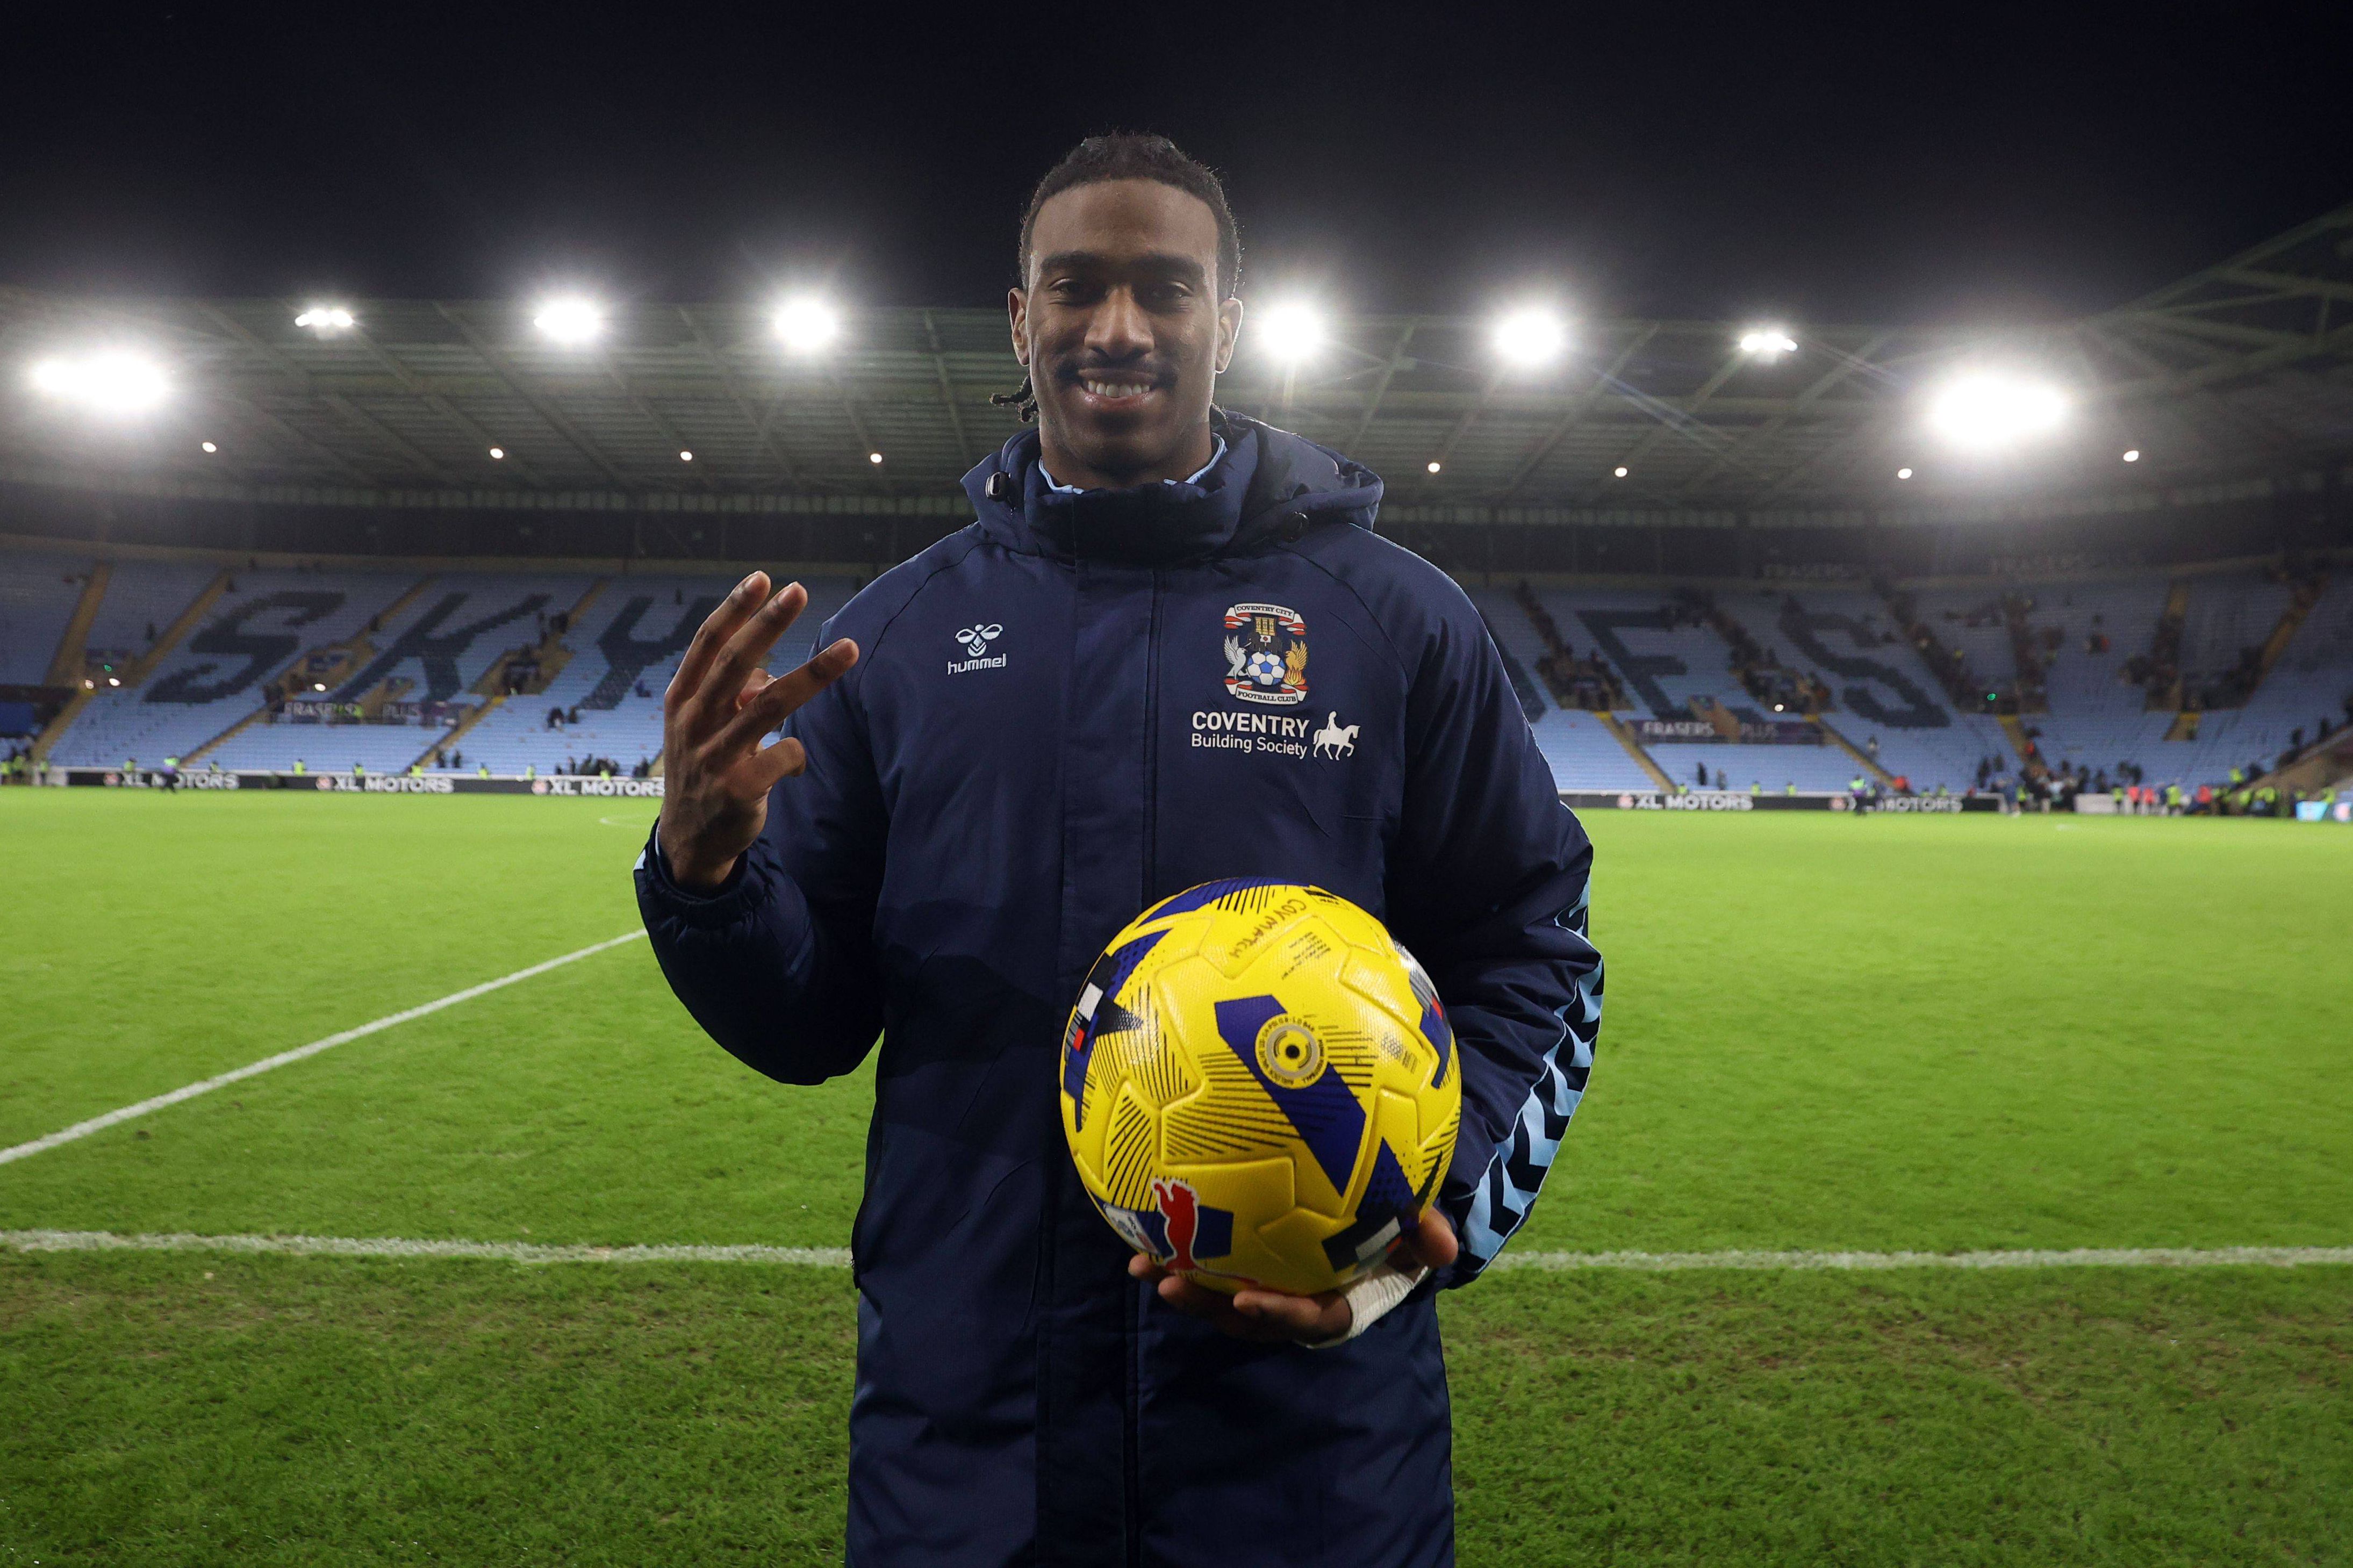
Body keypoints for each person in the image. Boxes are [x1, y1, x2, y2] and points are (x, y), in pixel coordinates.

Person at [635, 134, 1600, 1568]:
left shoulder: (1390, 623)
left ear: (1228, 318)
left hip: (1313, 1474)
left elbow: (1535, 953)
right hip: (968, 1457)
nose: (1118, 327)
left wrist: (1427, 1200)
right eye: (1074, 289)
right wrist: (705, 878)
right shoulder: (895, 640)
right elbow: (807, 1021)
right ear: (1020, 320)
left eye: (1164, 289)